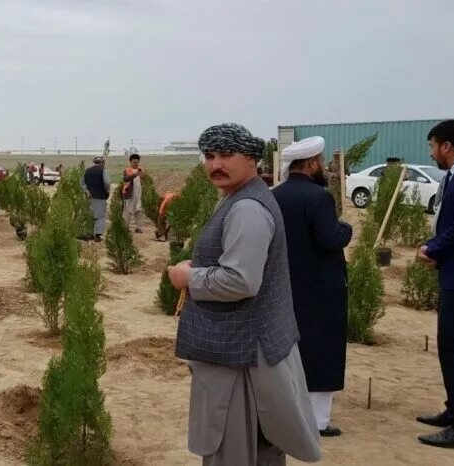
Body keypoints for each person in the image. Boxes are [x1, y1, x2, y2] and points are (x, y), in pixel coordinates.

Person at [168, 123, 321, 465]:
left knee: (234, 450)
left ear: (251, 158)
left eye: (226, 154)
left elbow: (240, 281)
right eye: (209, 156)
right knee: (258, 450)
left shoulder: (247, 209)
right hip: (245, 349)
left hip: (240, 355)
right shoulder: (240, 198)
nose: (215, 164)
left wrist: (188, 278)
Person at [273, 136, 353, 437]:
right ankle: (318, 420)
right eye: (319, 162)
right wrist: (347, 229)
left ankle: (288, 411)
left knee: (292, 348)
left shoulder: (275, 195)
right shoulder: (319, 197)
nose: (321, 167)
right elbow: (330, 238)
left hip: (287, 285)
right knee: (323, 349)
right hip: (322, 288)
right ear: (310, 164)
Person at [416, 119, 454, 448]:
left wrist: (433, 249)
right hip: (453, 270)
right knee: (452, 347)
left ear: (446, 146)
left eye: (433, 146)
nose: (432, 152)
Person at [80, 156, 111, 242]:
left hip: (89, 197)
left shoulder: (87, 171)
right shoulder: (103, 171)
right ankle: (97, 235)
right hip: (100, 197)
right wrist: (107, 191)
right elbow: (107, 182)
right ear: (102, 162)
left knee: (90, 215)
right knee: (100, 216)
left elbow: (82, 182)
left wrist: (87, 191)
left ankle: (89, 234)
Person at [122, 152, 145, 233]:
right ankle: (125, 227)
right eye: (134, 162)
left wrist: (142, 176)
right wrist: (134, 175)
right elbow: (125, 179)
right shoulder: (127, 170)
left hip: (139, 194)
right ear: (130, 162)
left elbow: (144, 180)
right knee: (128, 210)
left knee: (139, 210)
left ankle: (139, 227)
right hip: (129, 194)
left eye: (137, 162)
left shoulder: (141, 170)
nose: (136, 164)